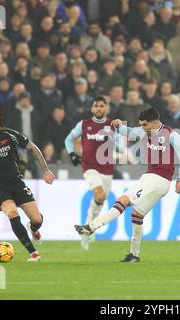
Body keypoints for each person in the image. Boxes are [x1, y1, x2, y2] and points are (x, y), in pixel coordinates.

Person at [75, 108, 180, 262]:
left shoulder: (170, 134)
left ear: (156, 122)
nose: (143, 128)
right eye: (141, 125)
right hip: (153, 179)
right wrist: (117, 125)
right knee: (137, 215)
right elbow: (128, 131)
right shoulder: (144, 132)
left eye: (145, 125)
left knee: (123, 200)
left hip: (158, 179)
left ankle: (91, 227)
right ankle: (134, 255)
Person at [0, 105, 55, 262]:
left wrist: (45, 170)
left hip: (16, 182)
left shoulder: (8, 134)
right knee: (13, 214)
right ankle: (33, 253)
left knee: (37, 219)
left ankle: (33, 228)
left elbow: (33, 148)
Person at [64, 96, 120, 250]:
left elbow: (121, 146)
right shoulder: (84, 125)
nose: (98, 108)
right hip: (89, 167)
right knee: (100, 195)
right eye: (96, 106)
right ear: (92, 108)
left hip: (107, 169)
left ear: (106, 108)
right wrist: (72, 154)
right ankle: (88, 228)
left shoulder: (112, 126)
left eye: (101, 106)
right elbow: (68, 139)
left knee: (101, 200)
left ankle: (88, 227)